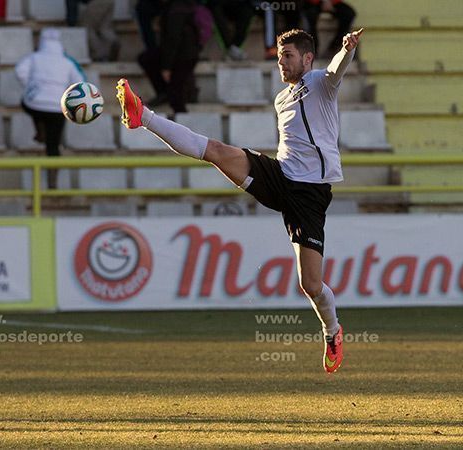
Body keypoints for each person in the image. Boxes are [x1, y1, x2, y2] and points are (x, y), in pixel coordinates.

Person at [116, 27, 364, 373]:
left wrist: (347, 48)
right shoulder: (281, 99)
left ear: (308, 58)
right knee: (216, 151)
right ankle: (144, 117)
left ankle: (332, 331)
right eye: (279, 56)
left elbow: (338, 68)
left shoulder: (323, 82)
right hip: (280, 175)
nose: (281, 62)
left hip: (310, 194)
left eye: (288, 55)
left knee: (310, 284)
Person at [15, 28, 84, 189]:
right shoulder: (67, 62)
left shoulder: (34, 58)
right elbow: (79, 81)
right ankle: (53, 181)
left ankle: (40, 127)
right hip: (58, 108)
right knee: (53, 146)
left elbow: (19, 71)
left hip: (35, 103)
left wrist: (31, 86)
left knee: (27, 103)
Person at [137, 0, 200, 113]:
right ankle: (164, 93)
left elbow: (173, 39)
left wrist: (167, 67)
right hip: (180, 53)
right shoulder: (173, 7)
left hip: (183, 55)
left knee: (175, 96)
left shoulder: (177, 10)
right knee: (147, 58)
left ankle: (183, 125)